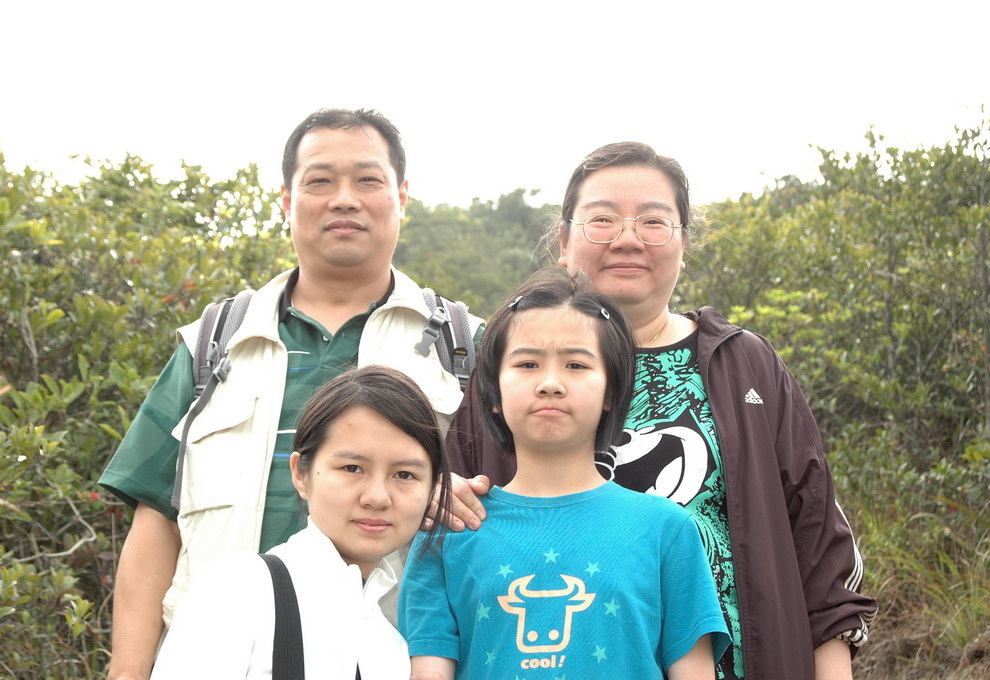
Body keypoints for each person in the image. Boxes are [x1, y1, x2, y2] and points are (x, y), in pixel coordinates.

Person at [443, 143, 878, 679]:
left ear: (684, 243)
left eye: (653, 221)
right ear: (564, 241)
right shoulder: (510, 369)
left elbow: (820, 550)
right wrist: (438, 497)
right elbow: (445, 535)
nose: (628, 239)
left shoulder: (745, 365)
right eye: (602, 219)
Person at [99, 108, 483, 680]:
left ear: (402, 196)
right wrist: (128, 671)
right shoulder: (214, 343)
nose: (344, 200)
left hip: (393, 660)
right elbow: (157, 518)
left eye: (368, 180)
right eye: (320, 181)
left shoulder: (466, 348)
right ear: (286, 200)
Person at [400, 268, 731, 680]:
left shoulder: (668, 530)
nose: (550, 383)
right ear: (494, 393)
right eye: (527, 364)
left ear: (611, 392)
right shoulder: (447, 534)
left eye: (576, 364)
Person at [150, 365, 452, 678]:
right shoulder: (239, 592)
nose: (377, 497)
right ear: (300, 474)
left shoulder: (393, 649)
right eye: (352, 468)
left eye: (405, 474)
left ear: (433, 487)